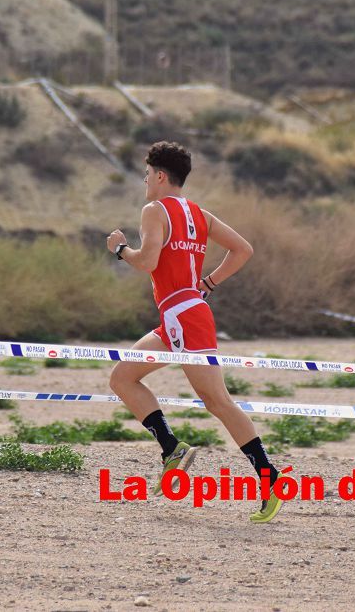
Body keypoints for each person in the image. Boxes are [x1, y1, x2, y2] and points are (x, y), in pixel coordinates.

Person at [105, 141, 282, 523]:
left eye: (147, 174)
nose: (145, 181)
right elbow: (243, 249)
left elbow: (147, 261)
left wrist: (121, 250)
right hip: (182, 315)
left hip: (183, 317)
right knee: (123, 377)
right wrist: (209, 283)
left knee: (218, 401)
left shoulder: (154, 210)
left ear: (161, 175)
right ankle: (171, 448)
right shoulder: (200, 213)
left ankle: (269, 477)